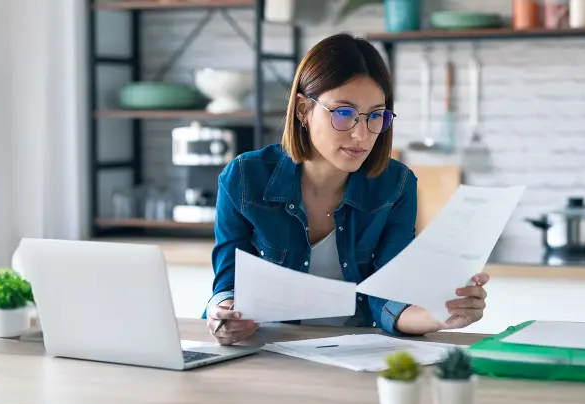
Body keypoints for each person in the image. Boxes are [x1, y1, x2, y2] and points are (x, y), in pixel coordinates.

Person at [204, 33, 490, 345]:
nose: (362, 134)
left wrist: (440, 315)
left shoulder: (396, 185)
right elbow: (228, 287)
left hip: (357, 352)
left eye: (376, 116)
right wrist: (225, 315)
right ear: (302, 110)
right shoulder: (245, 177)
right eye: (344, 113)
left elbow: (389, 299)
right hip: (269, 350)